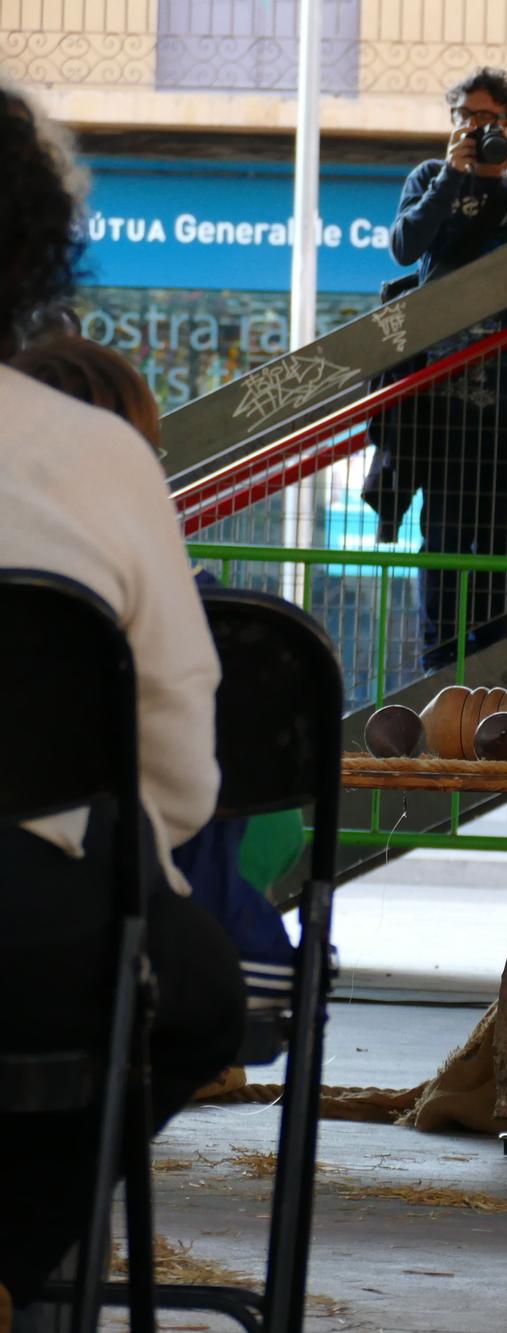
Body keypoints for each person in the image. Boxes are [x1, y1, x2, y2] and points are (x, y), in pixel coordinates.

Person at [0, 81, 244, 1326]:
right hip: (35, 942)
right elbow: (180, 776)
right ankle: (32, 1254)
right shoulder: (100, 455)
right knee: (187, 985)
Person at [9, 333, 302, 1014]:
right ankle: (93, 1117)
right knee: (205, 1006)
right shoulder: (177, 591)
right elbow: (186, 788)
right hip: (72, 909)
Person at [387, 67, 507, 671]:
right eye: (467, 116)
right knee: (442, 540)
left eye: (491, 118)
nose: (477, 127)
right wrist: (452, 176)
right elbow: (406, 247)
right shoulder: (430, 179)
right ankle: (439, 669)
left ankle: (487, 668)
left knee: (501, 544)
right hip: (442, 399)